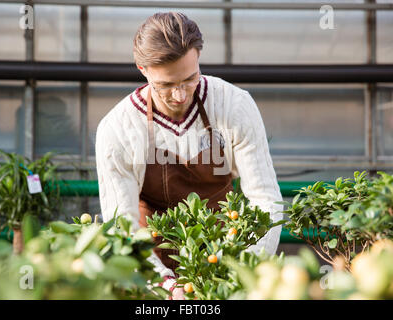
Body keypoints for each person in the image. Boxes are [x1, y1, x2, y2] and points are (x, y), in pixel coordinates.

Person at [95, 12, 284, 300]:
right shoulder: (117, 129)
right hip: (152, 273)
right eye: (166, 85)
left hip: (226, 266)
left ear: (198, 59)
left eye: (190, 78)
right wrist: (166, 287)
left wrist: (238, 271)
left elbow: (266, 200)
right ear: (142, 68)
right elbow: (123, 228)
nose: (180, 95)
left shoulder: (234, 105)